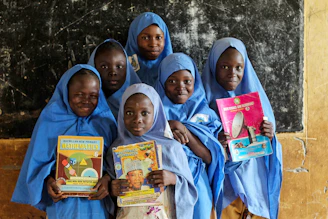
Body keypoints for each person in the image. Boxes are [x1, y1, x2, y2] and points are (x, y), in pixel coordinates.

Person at [11, 64, 118, 219]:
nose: (86, 101)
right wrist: (48, 181)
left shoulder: (105, 122)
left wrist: (107, 179)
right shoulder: (50, 120)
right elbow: (35, 165)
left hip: (96, 205)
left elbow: (116, 161)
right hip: (62, 204)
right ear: (66, 92)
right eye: (79, 94)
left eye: (93, 96)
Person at [201, 37, 283, 219]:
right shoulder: (202, 103)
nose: (232, 73)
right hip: (225, 187)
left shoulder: (257, 98)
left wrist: (270, 136)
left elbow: (270, 147)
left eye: (239, 67)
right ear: (214, 66)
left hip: (255, 183)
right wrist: (216, 143)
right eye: (224, 67)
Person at [106, 83, 197, 219]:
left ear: (156, 114)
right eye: (129, 112)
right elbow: (108, 187)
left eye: (145, 113)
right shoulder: (117, 149)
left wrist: (172, 178)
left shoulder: (171, 147)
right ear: (121, 114)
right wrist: (112, 190)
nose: (137, 120)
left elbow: (189, 189)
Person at [154, 53, 226, 218]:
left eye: (187, 81)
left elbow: (210, 157)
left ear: (195, 82)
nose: (180, 87)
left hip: (197, 185)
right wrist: (164, 128)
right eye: (172, 81)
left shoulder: (205, 115)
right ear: (162, 82)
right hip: (162, 183)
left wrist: (183, 129)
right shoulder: (152, 113)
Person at [88, 38, 141, 119]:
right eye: (104, 66)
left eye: (119, 66)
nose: (113, 72)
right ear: (94, 67)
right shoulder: (84, 106)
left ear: (127, 69)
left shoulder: (142, 103)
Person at [125, 12, 173, 87]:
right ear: (134, 39)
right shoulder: (121, 71)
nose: (153, 44)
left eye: (158, 37)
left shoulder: (175, 71)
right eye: (145, 38)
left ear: (165, 39)